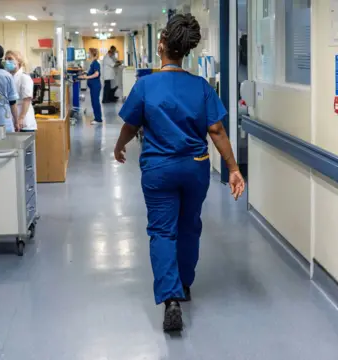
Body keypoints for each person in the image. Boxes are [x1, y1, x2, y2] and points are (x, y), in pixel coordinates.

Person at [113, 14, 246, 332]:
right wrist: (233, 169)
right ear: (185, 51)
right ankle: (184, 285)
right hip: (195, 167)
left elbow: (131, 125)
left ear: (161, 46)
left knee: (162, 231)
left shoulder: (145, 85)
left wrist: (119, 146)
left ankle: (170, 298)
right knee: (189, 227)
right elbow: (215, 129)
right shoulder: (200, 86)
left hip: (159, 169)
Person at [4, 50, 37, 131]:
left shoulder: (24, 77)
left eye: (10, 58)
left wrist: (21, 118)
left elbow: (27, 99)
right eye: (5, 59)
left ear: (18, 61)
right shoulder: (8, 77)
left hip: (23, 120)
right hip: (12, 119)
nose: (7, 61)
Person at [79, 48, 102, 125]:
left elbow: (96, 74)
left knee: (95, 102)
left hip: (95, 86)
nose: (88, 54)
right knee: (94, 102)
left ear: (92, 54)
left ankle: (98, 119)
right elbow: (92, 72)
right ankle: (97, 118)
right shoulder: (93, 63)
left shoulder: (95, 63)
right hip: (93, 86)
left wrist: (86, 77)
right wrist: (86, 74)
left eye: (89, 53)